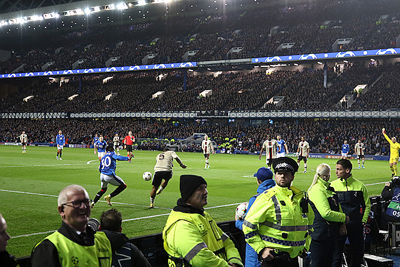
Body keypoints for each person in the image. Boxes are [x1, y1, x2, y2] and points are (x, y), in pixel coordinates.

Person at [242, 157, 314, 267]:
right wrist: (261, 249)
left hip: (293, 259)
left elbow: (309, 226)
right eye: (279, 173)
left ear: (292, 176)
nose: (282, 176)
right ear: (275, 175)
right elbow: (248, 226)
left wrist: (304, 246)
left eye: (286, 173)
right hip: (273, 260)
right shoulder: (266, 198)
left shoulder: (301, 200)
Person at [162, 175, 243, 266]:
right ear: (188, 194)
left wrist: (235, 261)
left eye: (205, 188)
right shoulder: (181, 225)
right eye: (200, 189)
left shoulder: (203, 215)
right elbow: (201, 259)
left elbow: (226, 241)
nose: (206, 192)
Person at [31, 184, 112, 267]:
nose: (83, 207)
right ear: (61, 210)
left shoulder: (103, 241)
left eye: (86, 202)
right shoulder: (48, 248)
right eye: (76, 203)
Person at [331, 159, 371, 267]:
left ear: (347, 170)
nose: (336, 172)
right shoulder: (332, 186)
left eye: (339, 169)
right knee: (336, 254)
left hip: (355, 225)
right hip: (339, 225)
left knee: (357, 253)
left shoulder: (360, 186)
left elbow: (367, 205)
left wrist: (363, 221)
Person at [308, 163, 349, 267]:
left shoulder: (328, 188)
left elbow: (338, 207)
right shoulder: (317, 189)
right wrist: (344, 218)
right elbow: (326, 213)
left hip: (331, 234)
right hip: (321, 235)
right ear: (327, 175)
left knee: (332, 262)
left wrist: (342, 223)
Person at [235, 167, 275, 267]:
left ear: (259, 181)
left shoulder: (256, 200)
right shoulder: (279, 196)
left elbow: (248, 227)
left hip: (257, 250)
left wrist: (237, 222)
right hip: (275, 246)